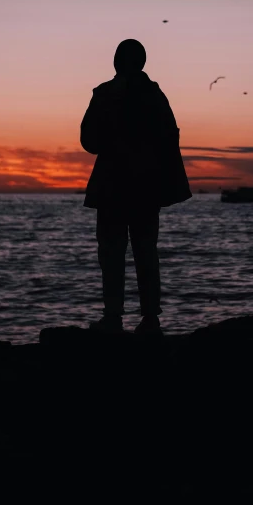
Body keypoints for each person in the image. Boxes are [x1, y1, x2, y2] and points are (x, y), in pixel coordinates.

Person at [80, 39, 191, 333]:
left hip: (118, 187)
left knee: (115, 253)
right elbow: (170, 140)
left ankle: (116, 317)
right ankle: (148, 318)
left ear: (117, 62)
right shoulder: (154, 97)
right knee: (143, 252)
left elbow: (89, 141)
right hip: (144, 188)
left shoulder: (106, 94)